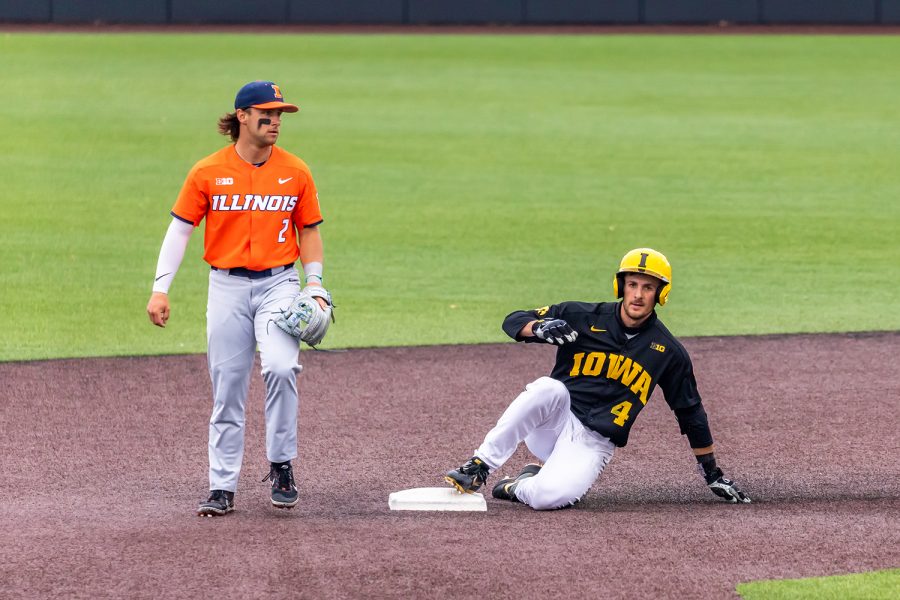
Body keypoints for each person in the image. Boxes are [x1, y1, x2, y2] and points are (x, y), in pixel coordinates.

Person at [146, 80, 329, 517]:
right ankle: (222, 486)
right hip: (225, 288)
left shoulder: (296, 171)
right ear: (242, 117)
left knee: (282, 368)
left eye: (280, 114)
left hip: (280, 285)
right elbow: (180, 228)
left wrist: (316, 284)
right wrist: (160, 287)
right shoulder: (207, 171)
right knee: (227, 389)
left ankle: (281, 464)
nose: (276, 122)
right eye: (267, 113)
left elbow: (309, 229)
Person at [445, 248, 750, 510]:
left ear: (660, 294)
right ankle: (480, 465)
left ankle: (518, 485)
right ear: (621, 286)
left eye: (648, 287)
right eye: (632, 284)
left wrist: (712, 473)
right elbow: (512, 320)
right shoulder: (581, 316)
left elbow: (690, 412)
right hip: (555, 421)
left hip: (594, 441)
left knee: (547, 498)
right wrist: (537, 328)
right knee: (548, 388)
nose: (638, 294)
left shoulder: (668, 352)